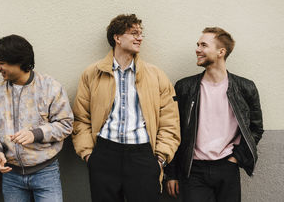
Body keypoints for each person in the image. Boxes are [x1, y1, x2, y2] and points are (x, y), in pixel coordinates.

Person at [72, 14, 180, 202]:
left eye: (141, 33)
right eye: (133, 33)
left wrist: (160, 160)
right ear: (117, 38)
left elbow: (170, 121)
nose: (140, 38)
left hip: (143, 155)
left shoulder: (156, 75)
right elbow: (81, 118)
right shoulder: (92, 74)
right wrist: (89, 155)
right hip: (104, 153)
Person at [165, 27, 264, 202]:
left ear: (221, 52)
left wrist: (236, 158)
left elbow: (256, 128)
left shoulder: (245, 88)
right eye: (197, 45)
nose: (197, 49)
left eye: (203, 45)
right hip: (193, 170)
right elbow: (174, 131)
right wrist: (171, 173)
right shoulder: (185, 88)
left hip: (227, 167)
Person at [0, 34, 73, 202]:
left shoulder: (50, 87)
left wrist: (36, 134)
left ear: (19, 61)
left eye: (1, 63)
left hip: (46, 173)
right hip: (10, 175)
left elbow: (65, 124)